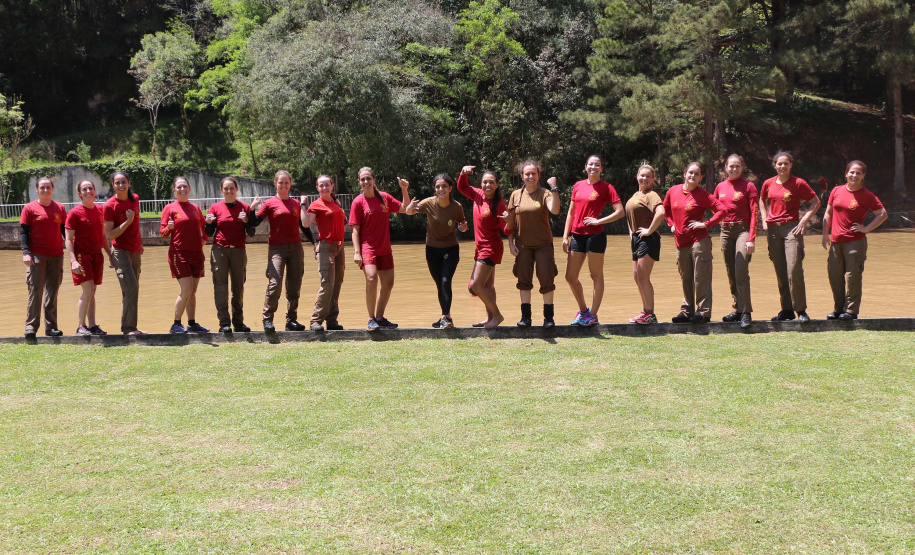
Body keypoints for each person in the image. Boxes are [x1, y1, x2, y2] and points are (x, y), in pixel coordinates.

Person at [561, 155, 624, 326]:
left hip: (595, 235)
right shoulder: (578, 186)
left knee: (595, 275)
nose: (593, 167)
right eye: (591, 164)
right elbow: (571, 213)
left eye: (597, 165)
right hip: (577, 235)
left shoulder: (606, 187)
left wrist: (599, 221)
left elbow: (620, 211)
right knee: (570, 276)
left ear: (601, 169)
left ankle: (593, 316)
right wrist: (565, 236)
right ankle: (583, 311)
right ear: (585, 167)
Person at [759, 151, 821, 323]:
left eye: (786, 163)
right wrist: (764, 218)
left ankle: (800, 310)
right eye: (779, 163)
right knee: (780, 271)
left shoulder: (798, 183)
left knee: (794, 268)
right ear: (774, 165)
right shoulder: (768, 183)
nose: (782, 166)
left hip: (791, 229)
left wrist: (804, 220)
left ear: (791, 165)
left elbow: (816, 202)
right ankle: (786, 310)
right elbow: (762, 200)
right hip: (772, 230)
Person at [822, 160, 887, 320]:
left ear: (863, 176)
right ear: (846, 173)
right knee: (834, 275)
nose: (854, 175)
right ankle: (838, 309)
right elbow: (828, 213)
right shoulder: (836, 191)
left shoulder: (867, 196)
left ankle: (851, 311)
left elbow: (882, 214)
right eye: (852, 172)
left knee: (853, 276)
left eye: (858, 173)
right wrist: (825, 234)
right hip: (836, 241)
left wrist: (865, 228)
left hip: (855, 242)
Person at [349, 167, 412, 331]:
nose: (365, 182)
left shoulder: (384, 198)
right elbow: (355, 230)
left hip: (385, 248)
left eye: (368, 178)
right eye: (362, 179)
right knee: (371, 278)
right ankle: (370, 319)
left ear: (374, 180)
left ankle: (380, 318)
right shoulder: (358, 202)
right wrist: (357, 252)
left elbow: (406, 209)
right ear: (359, 182)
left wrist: (404, 190)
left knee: (388, 284)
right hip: (367, 248)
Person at [663, 162, 727, 323]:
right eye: (690, 172)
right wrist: (671, 224)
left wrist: (705, 224)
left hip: (699, 241)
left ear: (700, 178)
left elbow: (722, 211)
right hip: (680, 241)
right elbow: (665, 209)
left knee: (701, 277)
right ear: (684, 173)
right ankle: (686, 311)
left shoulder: (703, 195)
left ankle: (703, 313)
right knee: (685, 278)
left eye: (696, 174)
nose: (692, 175)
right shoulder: (673, 191)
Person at [249, 170, 309, 332]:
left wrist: (315, 243)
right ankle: (267, 319)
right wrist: (252, 208)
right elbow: (254, 222)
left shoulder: (296, 204)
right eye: (280, 182)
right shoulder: (269, 204)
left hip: (296, 248)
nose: (283, 185)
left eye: (286, 182)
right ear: (275, 183)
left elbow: (303, 226)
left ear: (290, 184)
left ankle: (291, 320)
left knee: (294, 285)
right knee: (275, 283)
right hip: (277, 249)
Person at [406, 173, 468, 328]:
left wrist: (463, 227)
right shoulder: (429, 203)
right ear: (435, 189)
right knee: (440, 285)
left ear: (450, 188)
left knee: (446, 281)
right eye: (438, 186)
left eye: (444, 186)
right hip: (432, 250)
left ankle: (445, 317)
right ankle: (446, 317)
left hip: (451, 248)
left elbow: (462, 224)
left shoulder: (456, 207)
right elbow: (409, 212)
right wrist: (409, 208)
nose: (441, 189)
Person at [507, 159, 562, 327]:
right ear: (522, 176)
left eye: (533, 174)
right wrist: (510, 243)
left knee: (546, 278)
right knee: (523, 280)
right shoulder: (516, 195)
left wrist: (554, 188)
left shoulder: (545, 193)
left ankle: (549, 318)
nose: (530, 176)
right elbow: (510, 222)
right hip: (522, 245)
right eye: (527, 174)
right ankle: (526, 318)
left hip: (543, 244)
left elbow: (555, 210)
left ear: (538, 176)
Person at [457, 166, 513, 329]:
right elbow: (462, 187)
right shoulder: (478, 195)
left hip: (491, 248)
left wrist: (509, 222)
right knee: (488, 286)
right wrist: (463, 174)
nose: (487, 185)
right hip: (480, 247)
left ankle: (497, 315)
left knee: (476, 285)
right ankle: (490, 318)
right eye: (484, 182)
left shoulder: (500, 204)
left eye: (491, 182)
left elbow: (506, 230)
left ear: (497, 185)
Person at [714, 154, 759, 329]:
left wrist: (751, 238)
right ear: (725, 167)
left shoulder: (749, 186)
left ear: (742, 168)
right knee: (730, 271)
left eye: (737, 166)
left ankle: (746, 312)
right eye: (731, 166)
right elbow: (714, 207)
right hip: (725, 231)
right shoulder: (720, 187)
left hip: (742, 230)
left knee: (741, 269)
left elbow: (755, 213)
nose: (734, 169)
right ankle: (737, 309)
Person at [160, 176, 209, 333]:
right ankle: (175, 324)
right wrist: (169, 227)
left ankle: (192, 323)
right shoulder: (169, 208)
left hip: (196, 254)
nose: (182, 189)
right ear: (174, 190)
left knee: (192, 292)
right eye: (179, 187)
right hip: (178, 254)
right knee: (186, 289)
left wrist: (205, 239)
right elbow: (163, 234)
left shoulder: (195, 208)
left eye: (185, 186)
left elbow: (203, 226)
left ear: (189, 188)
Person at [205, 176, 253, 333]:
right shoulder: (215, 208)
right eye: (226, 188)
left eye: (231, 188)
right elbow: (208, 233)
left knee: (238, 287)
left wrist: (246, 220)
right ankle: (224, 323)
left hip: (239, 250)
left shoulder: (244, 207)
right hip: (220, 250)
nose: (229, 191)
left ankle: (238, 323)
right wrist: (208, 222)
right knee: (220, 287)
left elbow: (251, 232)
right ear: (221, 190)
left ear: (236, 189)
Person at [20, 176, 66, 338]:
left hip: (56, 255)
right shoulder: (29, 208)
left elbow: (63, 230)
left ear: (52, 189)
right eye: (42, 187)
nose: (45, 190)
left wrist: (72, 246)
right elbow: (24, 232)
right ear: (37, 189)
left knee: (52, 291)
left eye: (48, 187)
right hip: (36, 255)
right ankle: (31, 327)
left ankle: (51, 327)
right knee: (35, 290)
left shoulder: (59, 208)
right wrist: (26, 252)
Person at [65, 180, 111, 335]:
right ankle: (81, 326)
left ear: (94, 190)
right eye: (84, 189)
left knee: (93, 291)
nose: (88, 191)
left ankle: (92, 325)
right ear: (80, 194)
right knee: (88, 289)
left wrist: (110, 254)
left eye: (90, 188)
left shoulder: (100, 209)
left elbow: (103, 235)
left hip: (97, 255)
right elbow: (68, 240)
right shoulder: (74, 213)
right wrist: (73, 261)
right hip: (81, 256)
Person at [302, 175, 346, 332]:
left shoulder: (335, 203)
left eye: (327, 185)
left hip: (340, 247)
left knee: (337, 284)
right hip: (326, 247)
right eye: (321, 186)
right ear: (317, 188)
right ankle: (315, 320)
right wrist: (302, 205)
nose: (325, 188)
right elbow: (306, 222)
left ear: (332, 186)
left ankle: (332, 320)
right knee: (327, 284)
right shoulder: (316, 204)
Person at [103, 171, 146, 335]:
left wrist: (140, 242)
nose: (121, 185)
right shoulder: (109, 205)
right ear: (113, 185)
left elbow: (138, 223)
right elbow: (110, 234)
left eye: (123, 182)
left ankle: (129, 327)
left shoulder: (135, 199)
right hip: (120, 250)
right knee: (131, 287)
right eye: (117, 183)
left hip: (135, 249)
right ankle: (129, 328)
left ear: (128, 183)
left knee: (130, 290)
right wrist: (128, 221)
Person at [625, 165, 666, 325]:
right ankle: (644, 311)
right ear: (637, 176)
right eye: (642, 175)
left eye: (648, 177)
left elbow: (661, 212)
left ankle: (650, 313)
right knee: (637, 277)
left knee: (643, 276)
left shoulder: (651, 194)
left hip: (649, 239)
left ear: (652, 179)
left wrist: (649, 230)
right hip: (637, 239)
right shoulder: (636, 194)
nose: (644, 179)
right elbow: (630, 214)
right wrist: (631, 232)